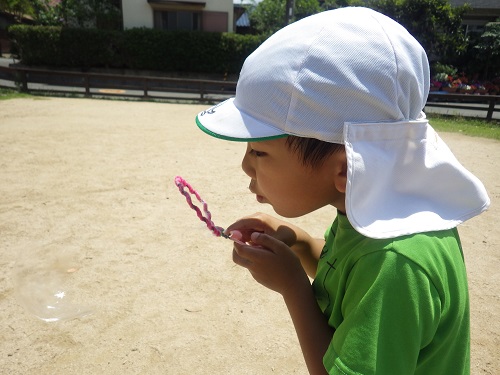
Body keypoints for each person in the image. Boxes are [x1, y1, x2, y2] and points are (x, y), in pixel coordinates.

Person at [194, 7, 490, 375]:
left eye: (259, 151)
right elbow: (349, 279)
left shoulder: (397, 263)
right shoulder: (375, 212)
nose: (245, 165)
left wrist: (294, 288)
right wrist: (299, 243)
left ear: (346, 168)